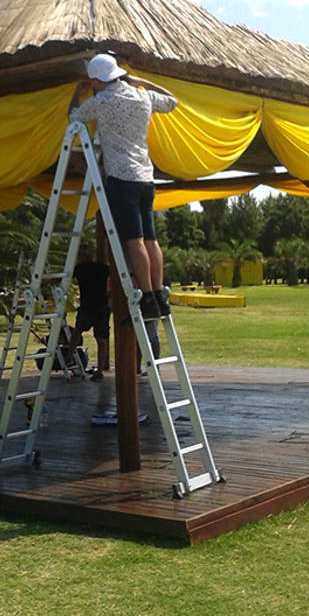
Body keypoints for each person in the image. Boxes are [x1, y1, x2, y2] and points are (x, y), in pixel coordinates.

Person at [67, 52, 177, 320]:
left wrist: (77, 93)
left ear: (97, 80)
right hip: (146, 177)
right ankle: (160, 292)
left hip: (121, 177)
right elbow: (172, 101)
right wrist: (143, 82)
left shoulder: (102, 101)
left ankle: (148, 296)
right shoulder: (142, 96)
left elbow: (74, 117)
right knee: (151, 239)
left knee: (134, 241)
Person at [71, 246, 110, 380]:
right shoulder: (103, 268)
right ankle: (99, 370)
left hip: (90, 307)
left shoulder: (80, 268)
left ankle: (69, 359)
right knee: (101, 339)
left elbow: (65, 278)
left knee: (78, 333)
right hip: (100, 307)